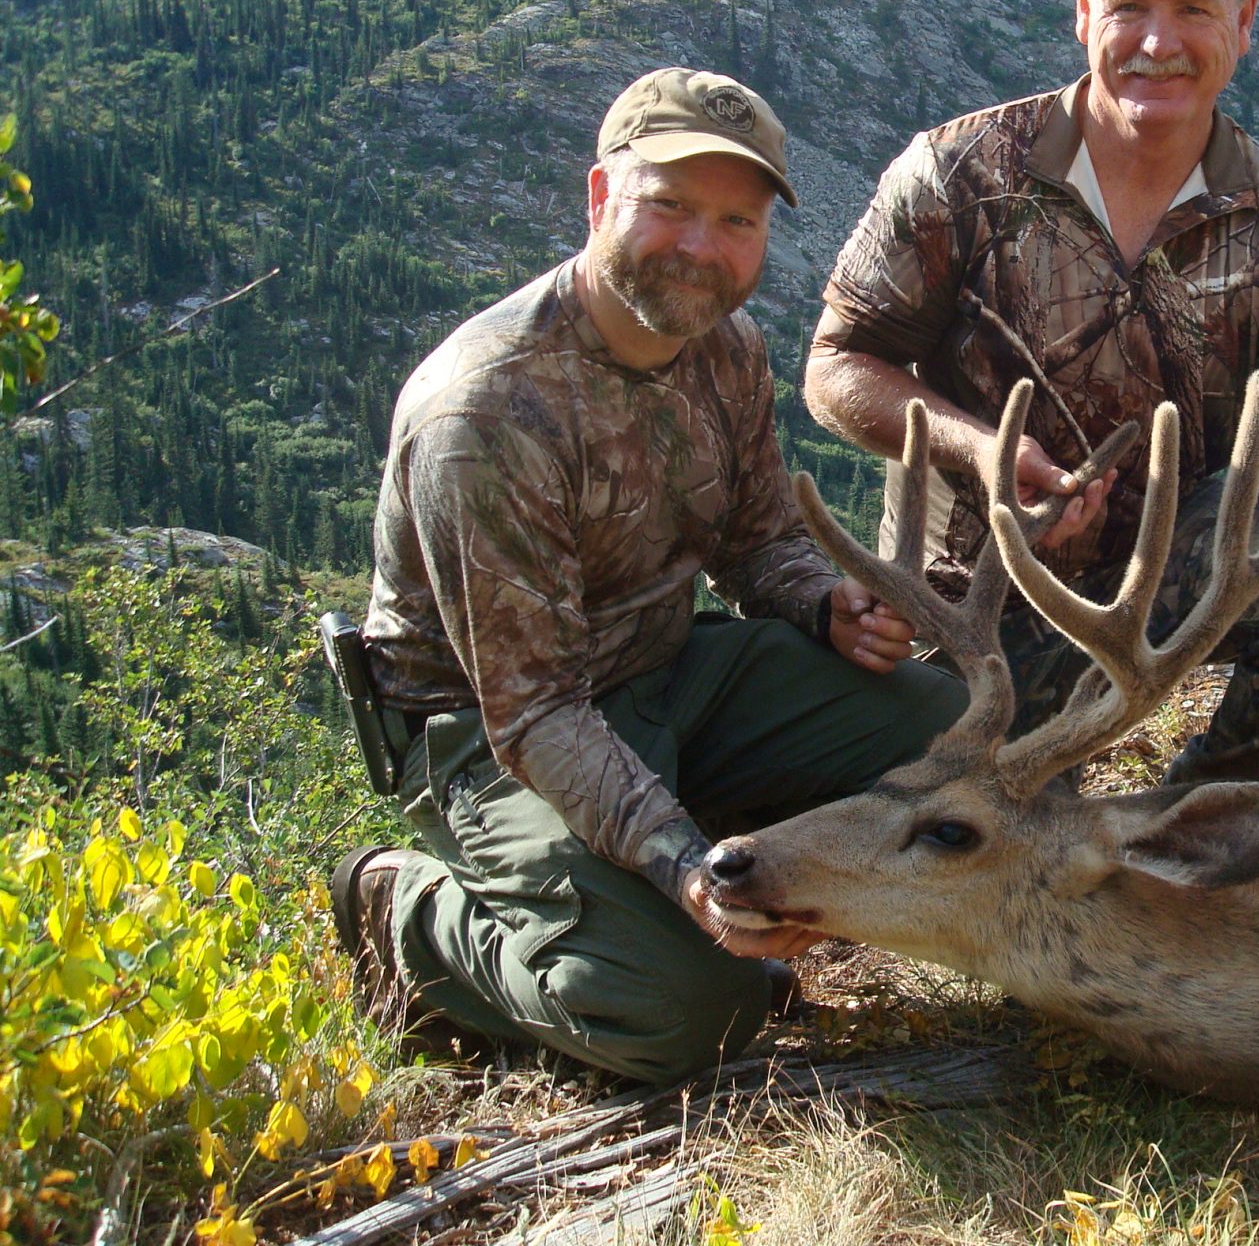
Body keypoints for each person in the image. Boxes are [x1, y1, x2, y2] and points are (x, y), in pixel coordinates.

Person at [334, 68, 967, 1081]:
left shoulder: (724, 349)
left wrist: (825, 604)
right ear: (599, 199)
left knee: (953, 739)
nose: (701, 248)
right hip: (490, 738)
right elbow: (535, 714)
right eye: (668, 206)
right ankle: (405, 916)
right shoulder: (488, 414)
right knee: (683, 1013)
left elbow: (759, 543)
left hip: (664, 670)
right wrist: (682, 870)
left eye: (736, 220)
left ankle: (685, 856)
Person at [805, 0, 1259, 785]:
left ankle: (1179, 838)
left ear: (1246, 24)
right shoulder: (956, 172)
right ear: (1081, 11)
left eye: (1195, 11)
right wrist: (981, 451)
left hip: (1156, 604)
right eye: (1129, 6)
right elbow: (836, 366)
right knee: (931, 816)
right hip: (966, 616)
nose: (1158, 42)